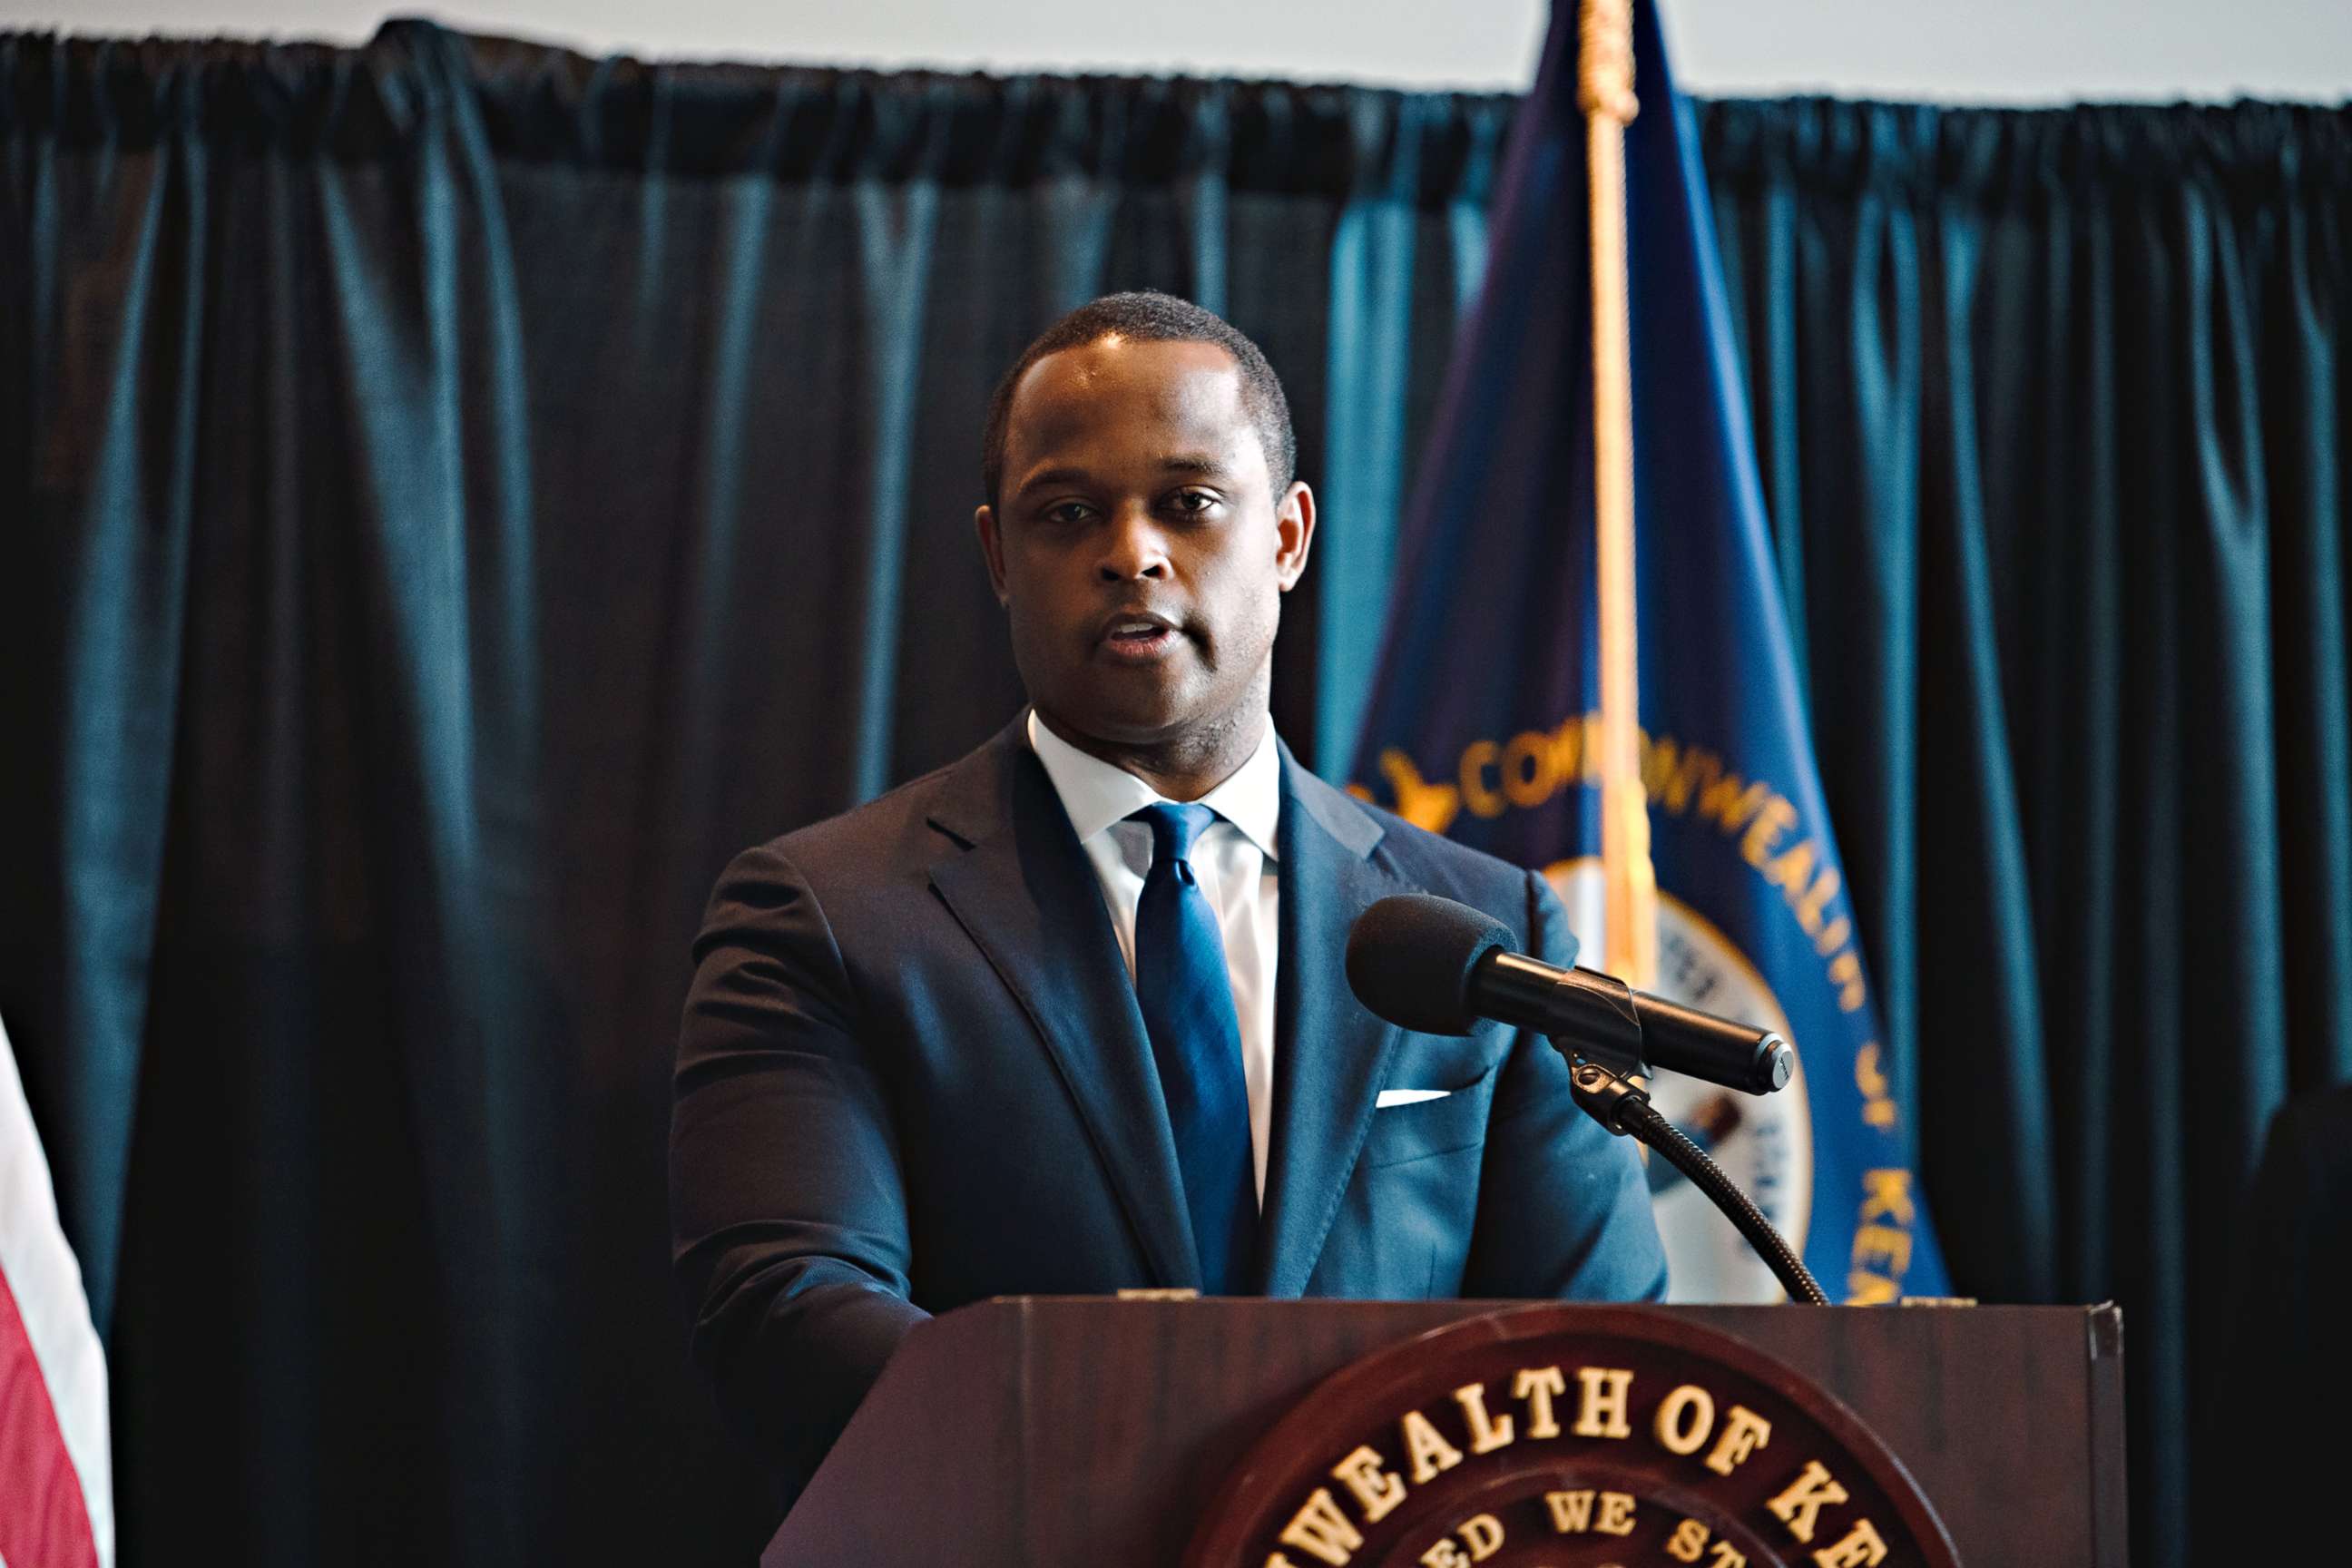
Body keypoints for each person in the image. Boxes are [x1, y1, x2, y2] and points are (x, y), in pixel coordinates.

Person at [669, 291, 1667, 1505]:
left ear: (1290, 538)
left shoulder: (1483, 936)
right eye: (1069, 512)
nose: (1131, 552)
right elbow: (789, 1313)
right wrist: (1161, 1455)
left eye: (1189, 504)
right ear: (998, 555)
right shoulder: (827, 916)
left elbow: (1597, 1361)